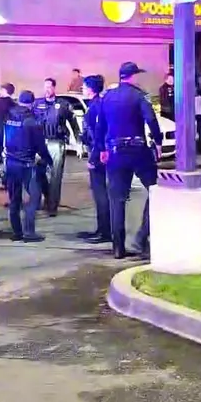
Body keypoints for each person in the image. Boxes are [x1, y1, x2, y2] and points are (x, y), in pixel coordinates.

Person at [92, 62, 162, 260]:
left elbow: (100, 126)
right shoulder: (139, 96)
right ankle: (141, 237)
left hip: (115, 152)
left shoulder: (108, 97)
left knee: (117, 199)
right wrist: (158, 142)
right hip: (138, 150)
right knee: (156, 191)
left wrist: (101, 149)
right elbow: (151, 119)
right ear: (133, 76)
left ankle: (118, 248)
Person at [2, 90, 52, 242]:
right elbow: (40, 146)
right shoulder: (32, 121)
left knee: (14, 199)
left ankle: (17, 232)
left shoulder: (8, 117)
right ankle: (29, 232)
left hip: (11, 162)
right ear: (32, 103)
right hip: (27, 165)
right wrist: (48, 160)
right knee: (35, 197)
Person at [33, 78, 81, 217]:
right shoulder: (37, 104)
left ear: (54, 88)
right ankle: (46, 197)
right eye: (45, 87)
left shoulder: (63, 105)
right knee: (38, 173)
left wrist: (78, 142)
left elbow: (73, 124)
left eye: (49, 87)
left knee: (55, 176)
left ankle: (52, 206)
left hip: (56, 142)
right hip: (40, 143)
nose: (47, 90)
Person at [78, 75, 111, 245]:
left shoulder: (96, 106)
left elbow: (98, 133)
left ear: (91, 89)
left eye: (84, 87)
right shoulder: (98, 104)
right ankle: (102, 229)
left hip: (98, 153)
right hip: (98, 151)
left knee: (100, 193)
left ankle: (105, 231)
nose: (82, 89)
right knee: (100, 193)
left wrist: (93, 157)